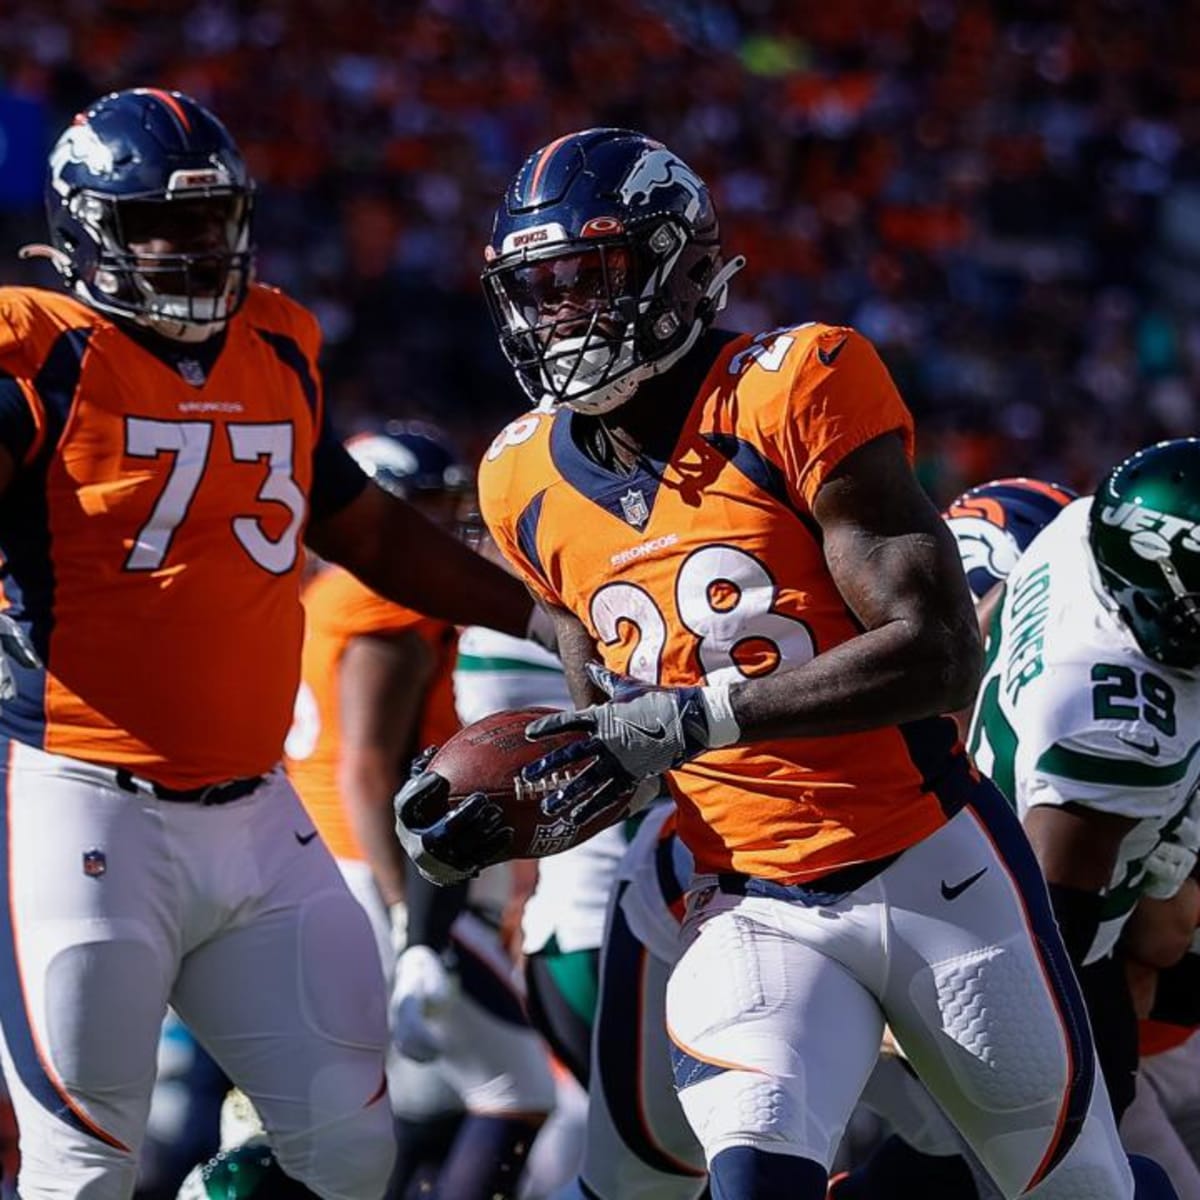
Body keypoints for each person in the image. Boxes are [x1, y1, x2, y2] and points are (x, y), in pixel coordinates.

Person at [396, 127, 1138, 1199]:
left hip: (934, 867)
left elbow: (937, 652)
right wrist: (505, 806)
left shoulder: (796, 384)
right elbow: (619, 736)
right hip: (743, 898)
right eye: (539, 287)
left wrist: (699, 719)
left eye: (589, 278)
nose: (563, 313)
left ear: (680, 263)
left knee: (1079, 1192)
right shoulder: (517, 479)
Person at [0, 88, 536, 1200]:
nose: (196, 248)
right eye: (163, 224)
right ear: (88, 230)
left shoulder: (278, 344)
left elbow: (366, 525)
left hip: (259, 816)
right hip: (77, 802)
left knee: (348, 1149)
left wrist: (534, 615)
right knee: (81, 1166)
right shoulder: (37, 355)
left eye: (212, 220)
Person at [286, 424, 556, 1200]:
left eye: (447, 506)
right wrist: (413, 925)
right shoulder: (383, 604)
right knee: (515, 1092)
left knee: (399, 1106)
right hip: (371, 870)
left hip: (329, 860)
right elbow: (368, 770)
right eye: (424, 508)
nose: (439, 530)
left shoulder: (326, 591)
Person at [968, 440, 1200, 1123]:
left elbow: (973, 639)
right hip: (1037, 926)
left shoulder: (1081, 531)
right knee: (1090, 1115)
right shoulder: (1117, 731)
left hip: (980, 826)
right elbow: (1053, 934)